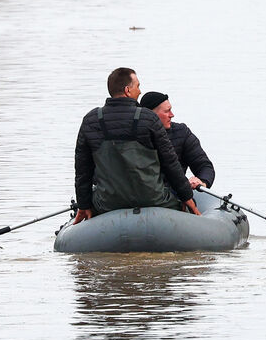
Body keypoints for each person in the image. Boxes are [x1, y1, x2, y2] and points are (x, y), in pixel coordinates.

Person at [73, 68, 200, 223]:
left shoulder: (90, 120)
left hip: (107, 203)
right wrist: (187, 197)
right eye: (137, 86)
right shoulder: (149, 119)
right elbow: (170, 162)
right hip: (154, 200)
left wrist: (84, 205)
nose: (140, 91)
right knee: (178, 202)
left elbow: (82, 170)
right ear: (127, 90)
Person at [139, 91, 215, 190]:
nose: (172, 115)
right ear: (151, 115)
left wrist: (202, 182)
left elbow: (204, 165)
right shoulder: (135, 134)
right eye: (167, 111)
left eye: (171, 110)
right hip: (145, 194)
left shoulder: (182, 132)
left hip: (176, 194)